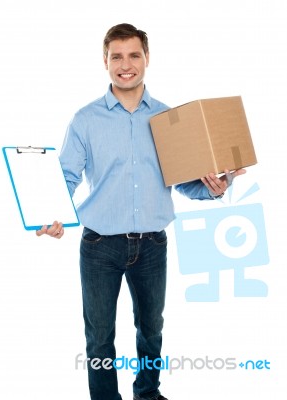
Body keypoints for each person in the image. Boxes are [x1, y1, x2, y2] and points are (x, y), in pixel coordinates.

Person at [36, 23, 245, 400]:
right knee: (99, 337)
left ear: (147, 59)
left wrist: (216, 188)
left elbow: (184, 182)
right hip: (99, 246)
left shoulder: (169, 119)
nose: (125, 64)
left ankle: (147, 394)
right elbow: (65, 176)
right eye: (117, 56)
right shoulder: (85, 119)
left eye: (134, 55)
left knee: (151, 329)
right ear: (105, 61)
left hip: (152, 245)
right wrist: (49, 213)